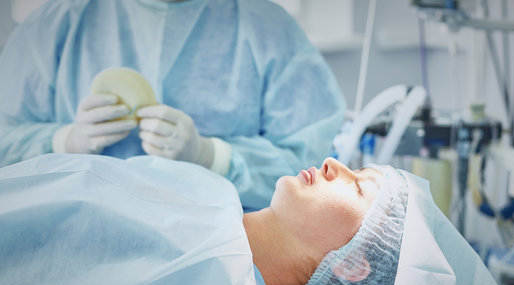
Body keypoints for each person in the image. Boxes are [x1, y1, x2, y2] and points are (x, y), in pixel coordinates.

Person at [1, 154, 514, 285]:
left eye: (359, 187)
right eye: (355, 165)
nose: (333, 163)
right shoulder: (202, 192)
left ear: (352, 266)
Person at [0, 0, 346, 211]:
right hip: (74, 249)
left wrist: (212, 156)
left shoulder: (268, 27)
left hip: (227, 262)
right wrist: (64, 142)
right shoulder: (58, 22)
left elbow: (312, 170)